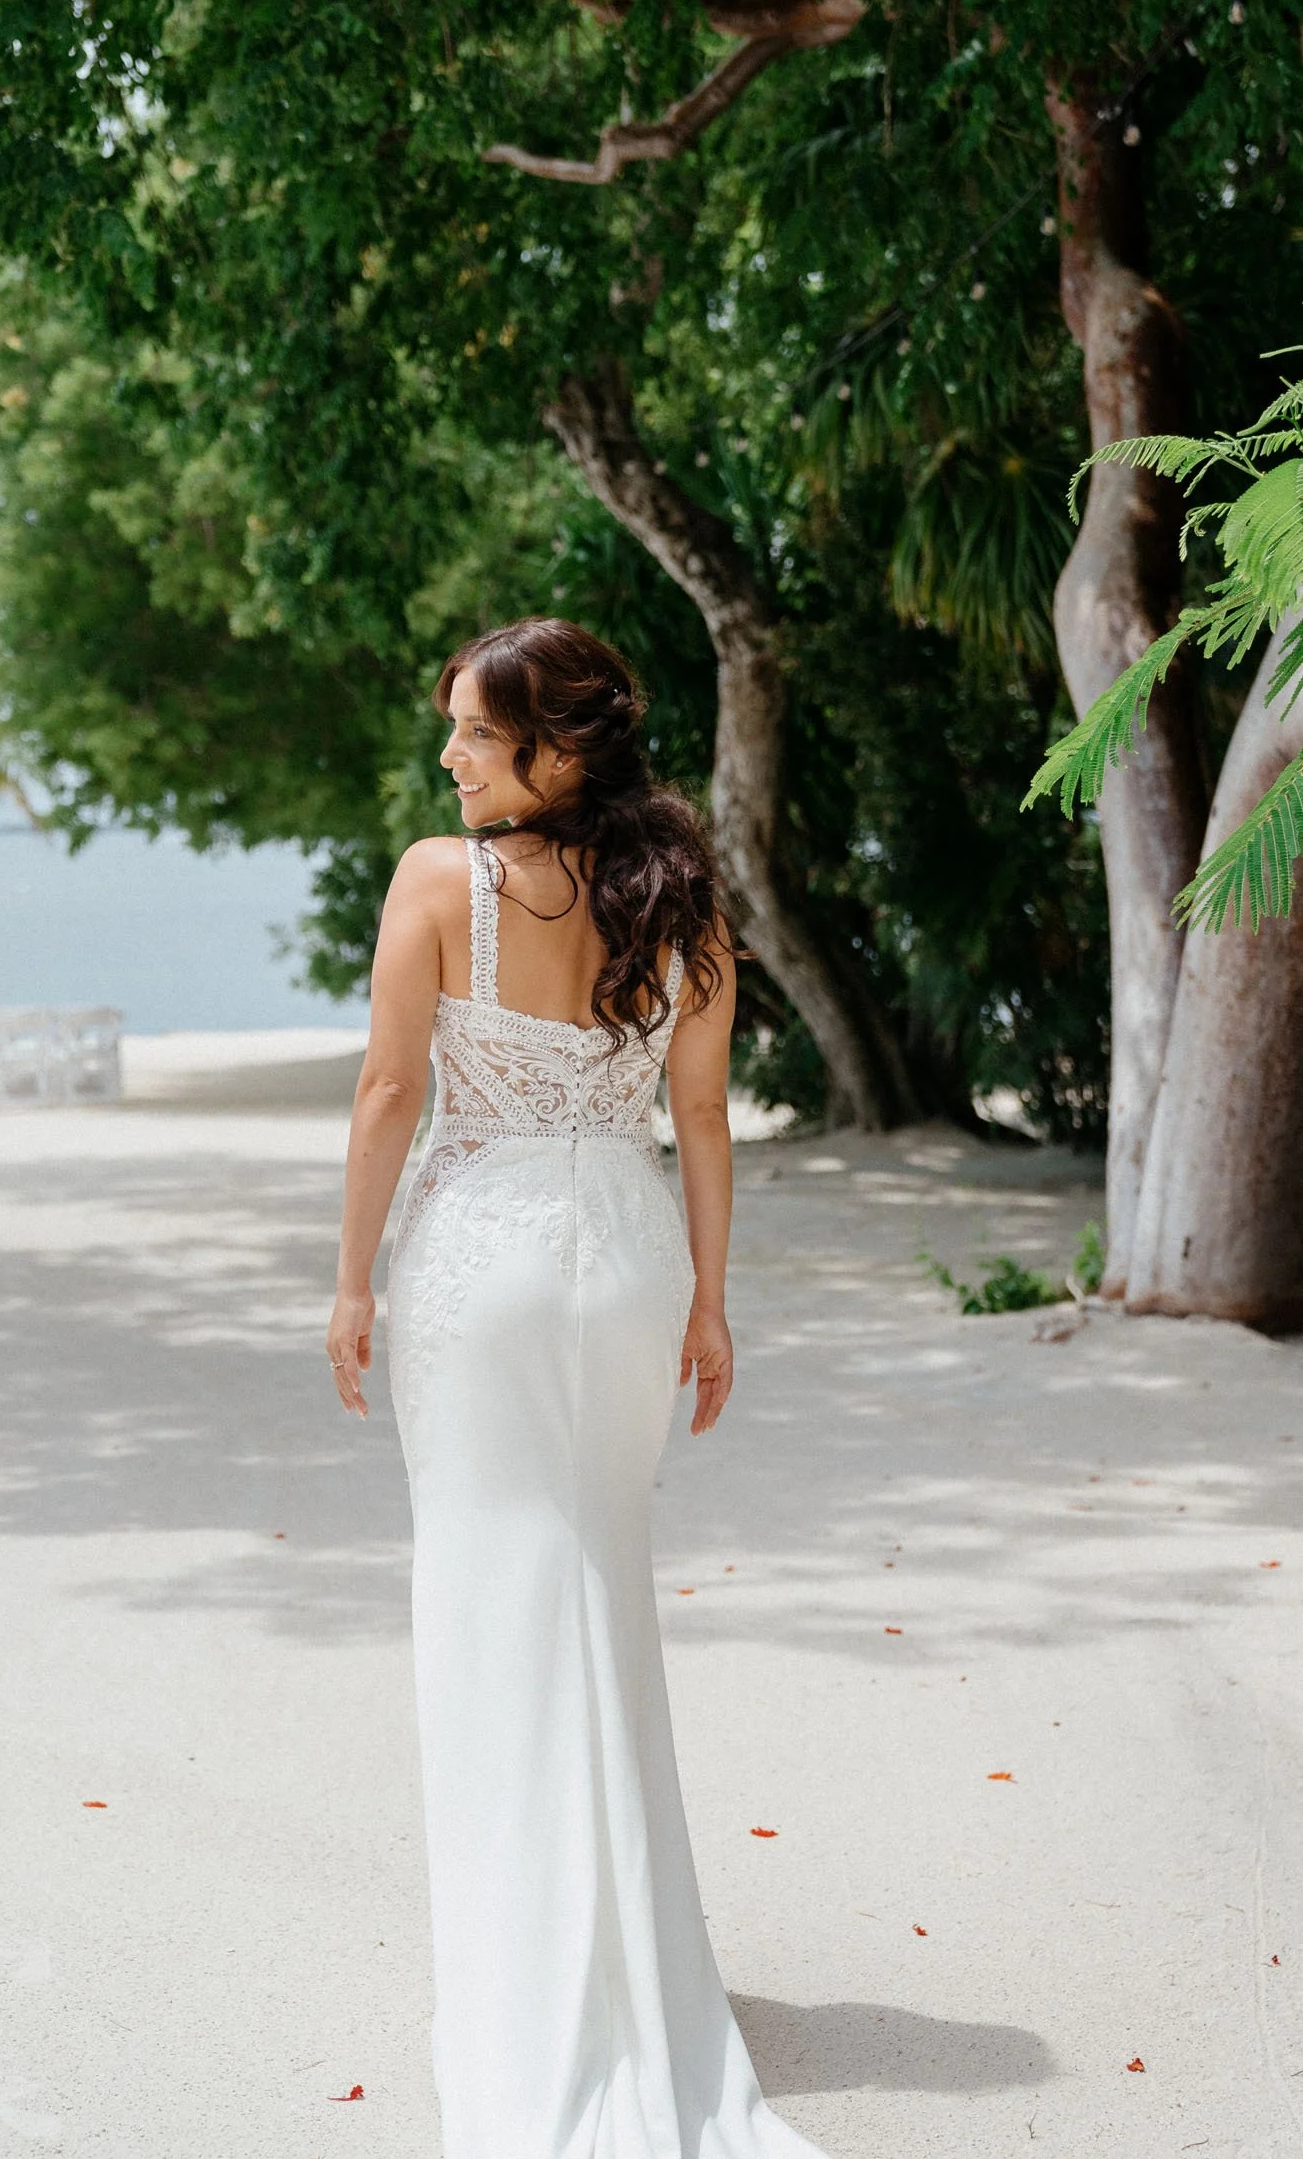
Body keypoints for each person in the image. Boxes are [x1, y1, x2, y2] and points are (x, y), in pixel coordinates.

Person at [326, 617, 830, 2159]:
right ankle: (626, 1964)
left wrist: (349, 1280)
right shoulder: (680, 904)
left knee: (491, 1599)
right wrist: (714, 1305)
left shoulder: (437, 881)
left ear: (555, 747)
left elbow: (392, 1091)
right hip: (626, 1258)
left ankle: (531, 1977)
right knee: (597, 1590)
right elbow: (702, 1118)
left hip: (483, 1261)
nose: (448, 758)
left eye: (473, 735)